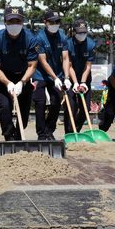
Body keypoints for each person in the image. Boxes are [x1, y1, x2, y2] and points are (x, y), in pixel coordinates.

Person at [0, 6, 38, 141]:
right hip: (3, 77)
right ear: (5, 22)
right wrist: (8, 83)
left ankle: (19, 135)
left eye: (17, 21)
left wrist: (22, 82)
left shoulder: (30, 39)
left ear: (22, 22)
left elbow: (32, 65)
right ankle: (9, 137)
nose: (14, 24)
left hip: (24, 76)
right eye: (11, 21)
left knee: (24, 112)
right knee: (4, 105)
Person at [33, 9, 71, 140]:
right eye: (52, 22)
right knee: (40, 102)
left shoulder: (62, 36)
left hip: (58, 74)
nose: (55, 24)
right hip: (40, 75)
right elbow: (42, 61)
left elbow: (65, 58)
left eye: (57, 21)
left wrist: (66, 78)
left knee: (56, 101)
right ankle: (41, 133)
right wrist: (54, 78)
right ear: (45, 22)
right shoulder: (39, 38)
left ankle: (49, 130)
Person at [65, 19, 95, 131]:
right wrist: (75, 82)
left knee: (86, 108)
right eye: (79, 32)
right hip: (70, 78)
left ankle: (76, 129)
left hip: (85, 78)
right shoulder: (67, 43)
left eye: (84, 32)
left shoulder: (91, 44)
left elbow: (88, 66)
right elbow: (69, 65)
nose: (82, 35)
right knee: (71, 107)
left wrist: (82, 82)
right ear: (74, 32)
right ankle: (68, 133)